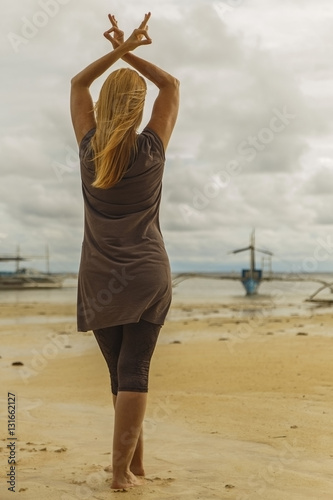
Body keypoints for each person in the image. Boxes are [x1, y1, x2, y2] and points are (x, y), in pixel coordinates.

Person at [70, 12, 179, 490]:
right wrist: (135, 49)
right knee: (134, 370)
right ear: (137, 108)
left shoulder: (89, 146)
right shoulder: (152, 149)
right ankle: (126, 470)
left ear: (105, 105)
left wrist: (117, 50)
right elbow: (171, 86)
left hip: (98, 277)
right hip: (148, 274)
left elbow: (78, 83)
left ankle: (126, 470)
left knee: (121, 373)